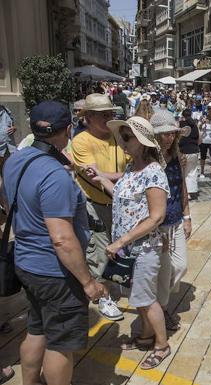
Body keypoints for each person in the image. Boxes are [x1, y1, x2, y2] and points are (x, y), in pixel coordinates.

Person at [1, 101, 107, 385]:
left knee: (36, 330)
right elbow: (61, 238)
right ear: (69, 129)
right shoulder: (54, 175)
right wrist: (87, 282)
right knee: (60, 344)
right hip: (57, 272)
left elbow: (7, 200)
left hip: (26, 264)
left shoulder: (15, 160)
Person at [90, 116, 171, 370]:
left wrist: (121, 241)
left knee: (146, 299)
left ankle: (162, 344)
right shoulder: (131, 168)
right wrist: (101, 179)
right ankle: (147, 337)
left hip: (143, 248)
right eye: (122, 136)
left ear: (143, 142)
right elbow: (123, 201)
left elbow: (156, 216)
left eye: (127, 137)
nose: (122, 141)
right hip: (129, 248)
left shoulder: (153, 171)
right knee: (140, 297)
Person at [72, 93, 128, 321]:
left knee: (118, 247)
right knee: (100, 251)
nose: (110, 118)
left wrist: (115, 175)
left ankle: (113, 284)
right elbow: (95, 177)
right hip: (95, 204)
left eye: (111, 113)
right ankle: (103, 298)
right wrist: (127, 176)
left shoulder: (118, 135)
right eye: (104, 114)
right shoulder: (81, 141)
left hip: (119, 203)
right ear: (89, 118)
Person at [152, 110, 192, 331]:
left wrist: (187, 216)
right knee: (165, 269)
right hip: (156, 223)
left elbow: (182, 187)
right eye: (164, 134)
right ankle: (161, 309)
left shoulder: (178, 156)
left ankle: (158, 302)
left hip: (176, 219)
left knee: (181, 266)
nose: (168, 138)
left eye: (171, 134)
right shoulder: (148, 159)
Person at [178, 109, 201, 200]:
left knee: (184, 172)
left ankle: (185, 192)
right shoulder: (195, 125)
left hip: (184, 151)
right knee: (192, 171)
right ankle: (191, 191)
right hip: (194, 151)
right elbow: (199, 138)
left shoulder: (181, 124)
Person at [0, 104, 16, 174]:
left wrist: (14, 128)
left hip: (9, 147)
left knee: (8, 171)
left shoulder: (5, 109)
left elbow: (13, 124)